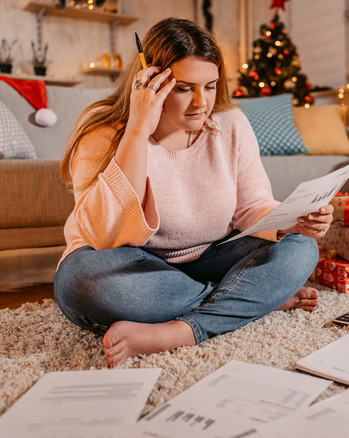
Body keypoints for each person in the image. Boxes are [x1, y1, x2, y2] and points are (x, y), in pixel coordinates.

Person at [54, 18, 332, 367]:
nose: (201, 103)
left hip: (213, 255)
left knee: (301, 247)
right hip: (137, 264)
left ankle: (182, 330)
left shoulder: (231, 124)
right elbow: (100, 233)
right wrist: (138, 130)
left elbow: (253, 207)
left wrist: (293, 220)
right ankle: (254, 298)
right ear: (150, 82)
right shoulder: (103, 130)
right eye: (184, 88)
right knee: (81, 282)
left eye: (211, 86)